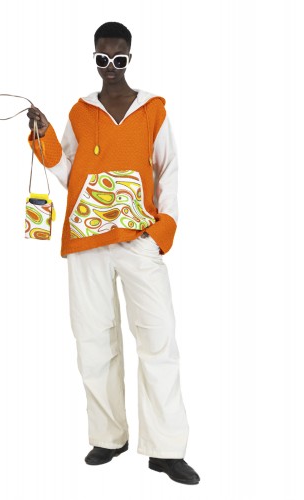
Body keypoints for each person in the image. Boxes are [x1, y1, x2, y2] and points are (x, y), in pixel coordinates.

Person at [26, 21, 200, 486]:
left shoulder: (152, 110)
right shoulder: (81, 111)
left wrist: (162, 231)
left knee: (158, 338)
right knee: (93, 339)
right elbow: (70, 172)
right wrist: (44, 135)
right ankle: (108, 437)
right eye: (102, 58)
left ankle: (166, 450)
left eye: (118, 59)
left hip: (138, 238)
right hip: (87, 240)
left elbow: (169, 169)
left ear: (129, 58)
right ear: (95, 58)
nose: (110, 67)